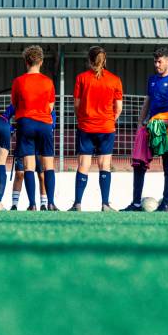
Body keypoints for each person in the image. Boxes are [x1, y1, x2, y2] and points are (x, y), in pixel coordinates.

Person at [123, 48, 168, 212]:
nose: (157, 65)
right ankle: (136, 203)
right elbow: (147, 102)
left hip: (167, 129)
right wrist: (140, 124)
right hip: (150, 127)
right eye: (155, 61)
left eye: (160, 61)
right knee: (139, 164)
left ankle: (165, 203)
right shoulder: (152, 80)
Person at [70, 46, 123, 212]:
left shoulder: (81, 78)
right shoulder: (115, 80)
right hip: (106, 128)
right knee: (104, 165)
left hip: (86, 127)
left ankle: (77, 204)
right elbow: (119, 107)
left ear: (89, 60)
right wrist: (109, 120)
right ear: (104, 60)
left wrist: (83, 119)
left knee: (83, 165)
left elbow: (77, 105)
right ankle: (105, 204)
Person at [11, 45, 57, 211]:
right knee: (48, 166)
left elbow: (15, 104)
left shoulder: (18, 81)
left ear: (26, 61)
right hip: (44, 124)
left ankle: (32, 204)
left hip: (26, 124)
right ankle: (50, 203)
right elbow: (51, 106)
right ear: (41, 62)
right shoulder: (48, 82)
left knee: (29, 166)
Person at [2, 104, 53, 210]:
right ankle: (15, 205)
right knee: (19, 173)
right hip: (24, 141)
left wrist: (49, 127)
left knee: (42, 175)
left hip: (39, 144)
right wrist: (11, 129)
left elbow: (52, 119)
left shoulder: (44, 103)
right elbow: (4, 117)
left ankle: (43, 204)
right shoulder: (18, 102)